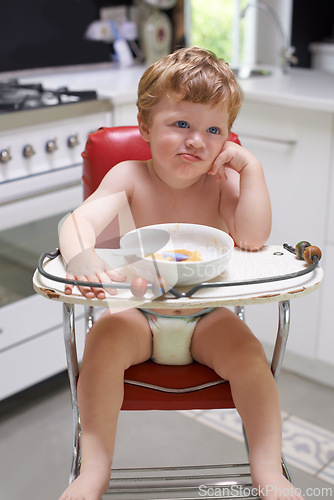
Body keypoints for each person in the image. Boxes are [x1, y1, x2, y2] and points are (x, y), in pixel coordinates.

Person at [58, 47, 303, 500]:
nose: (197, 141)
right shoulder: (128, 177)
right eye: (181, 125)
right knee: (102, 343)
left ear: (228, 138)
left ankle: (269, 472)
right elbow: (78, 223)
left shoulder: (221, 184)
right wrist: (81, 258)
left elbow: (251, 237)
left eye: (214, 130)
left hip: (206, 315)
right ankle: (93, 470)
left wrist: (251, 169)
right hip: (138, 310)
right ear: (146, 126)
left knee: (252, 360)